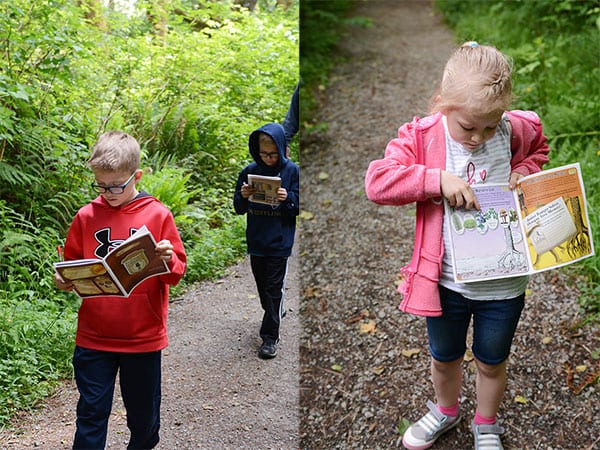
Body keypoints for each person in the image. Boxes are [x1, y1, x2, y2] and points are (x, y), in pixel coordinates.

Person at [365, 42, 549, 450]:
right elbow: (377, 181)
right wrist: (435, 180)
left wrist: (523, 169)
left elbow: (539, 149)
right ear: (442, 104)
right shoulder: (424, 136)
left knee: (491, 360)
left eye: (489, 126)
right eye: (468, 127)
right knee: (444, 356)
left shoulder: (516, 129)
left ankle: (486, 423)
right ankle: (446, 411)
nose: (478, 137)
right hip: (446, 283)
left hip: (504, 283)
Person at [54, 131, 187, 449]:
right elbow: (71, 267)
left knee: (143, 421)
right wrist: (64, 281)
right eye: (101, 185)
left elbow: (176, 273)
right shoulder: (86, 216)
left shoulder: (157, 215)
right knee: (90, 415)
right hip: (94, 337)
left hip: (142, 338)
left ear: (136, 176)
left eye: (116, 186)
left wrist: (168, 259)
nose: (108, 193)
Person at [233, 123, 300, 359]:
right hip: (257, 241)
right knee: (263, 290)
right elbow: (238, 208)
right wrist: (243, 196)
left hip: (279, 242)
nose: (269, 158)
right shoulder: (249, 171)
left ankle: (270, 337)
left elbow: (298, 207)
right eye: (264, 154)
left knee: (273, 290)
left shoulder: (292, 171)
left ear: (282, 149)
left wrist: (287, 198)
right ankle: (274, 311)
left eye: (273, 153)